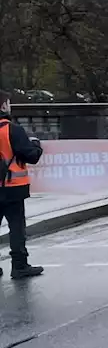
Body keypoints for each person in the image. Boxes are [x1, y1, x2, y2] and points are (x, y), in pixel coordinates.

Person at [0, 90, 45, 278]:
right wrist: (36, 145)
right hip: (12, 187)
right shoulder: (12, 130)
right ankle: (19, 265)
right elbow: (31, 156)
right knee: (16, 227)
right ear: (3, 106)